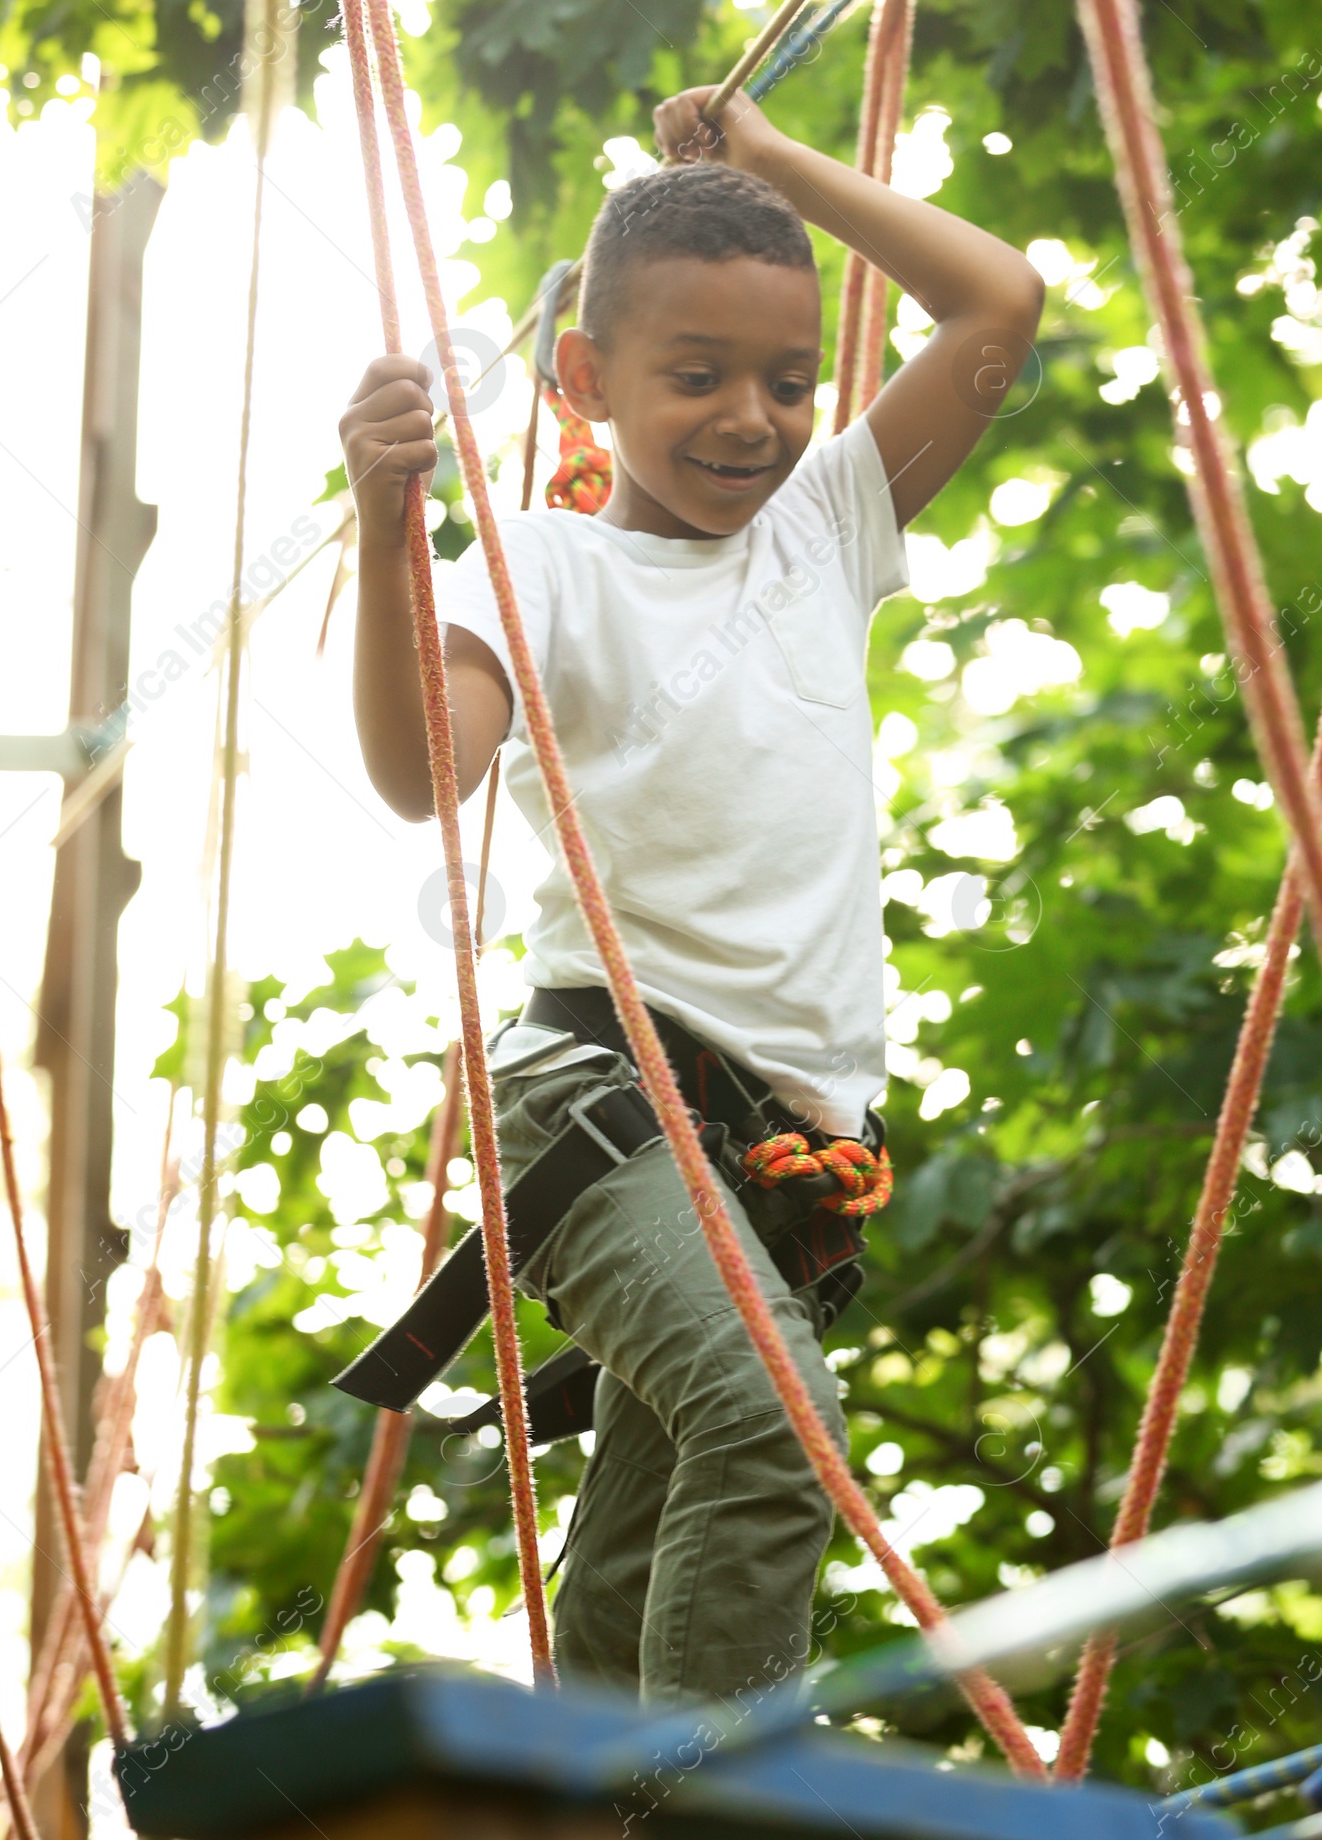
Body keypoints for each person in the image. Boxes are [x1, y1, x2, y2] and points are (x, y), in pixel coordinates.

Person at [339, 84, 1044, 1705]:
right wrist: (392, 524)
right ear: (585, 383)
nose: (752, 418)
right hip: (604, 1101)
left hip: (779, 1153)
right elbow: (422, 773)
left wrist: (768, 161)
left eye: (790, 380)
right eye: (696, 376)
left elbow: (997, 301)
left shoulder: (827, 525)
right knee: (771, 1434)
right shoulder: (539, 572)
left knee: (646, 1558)